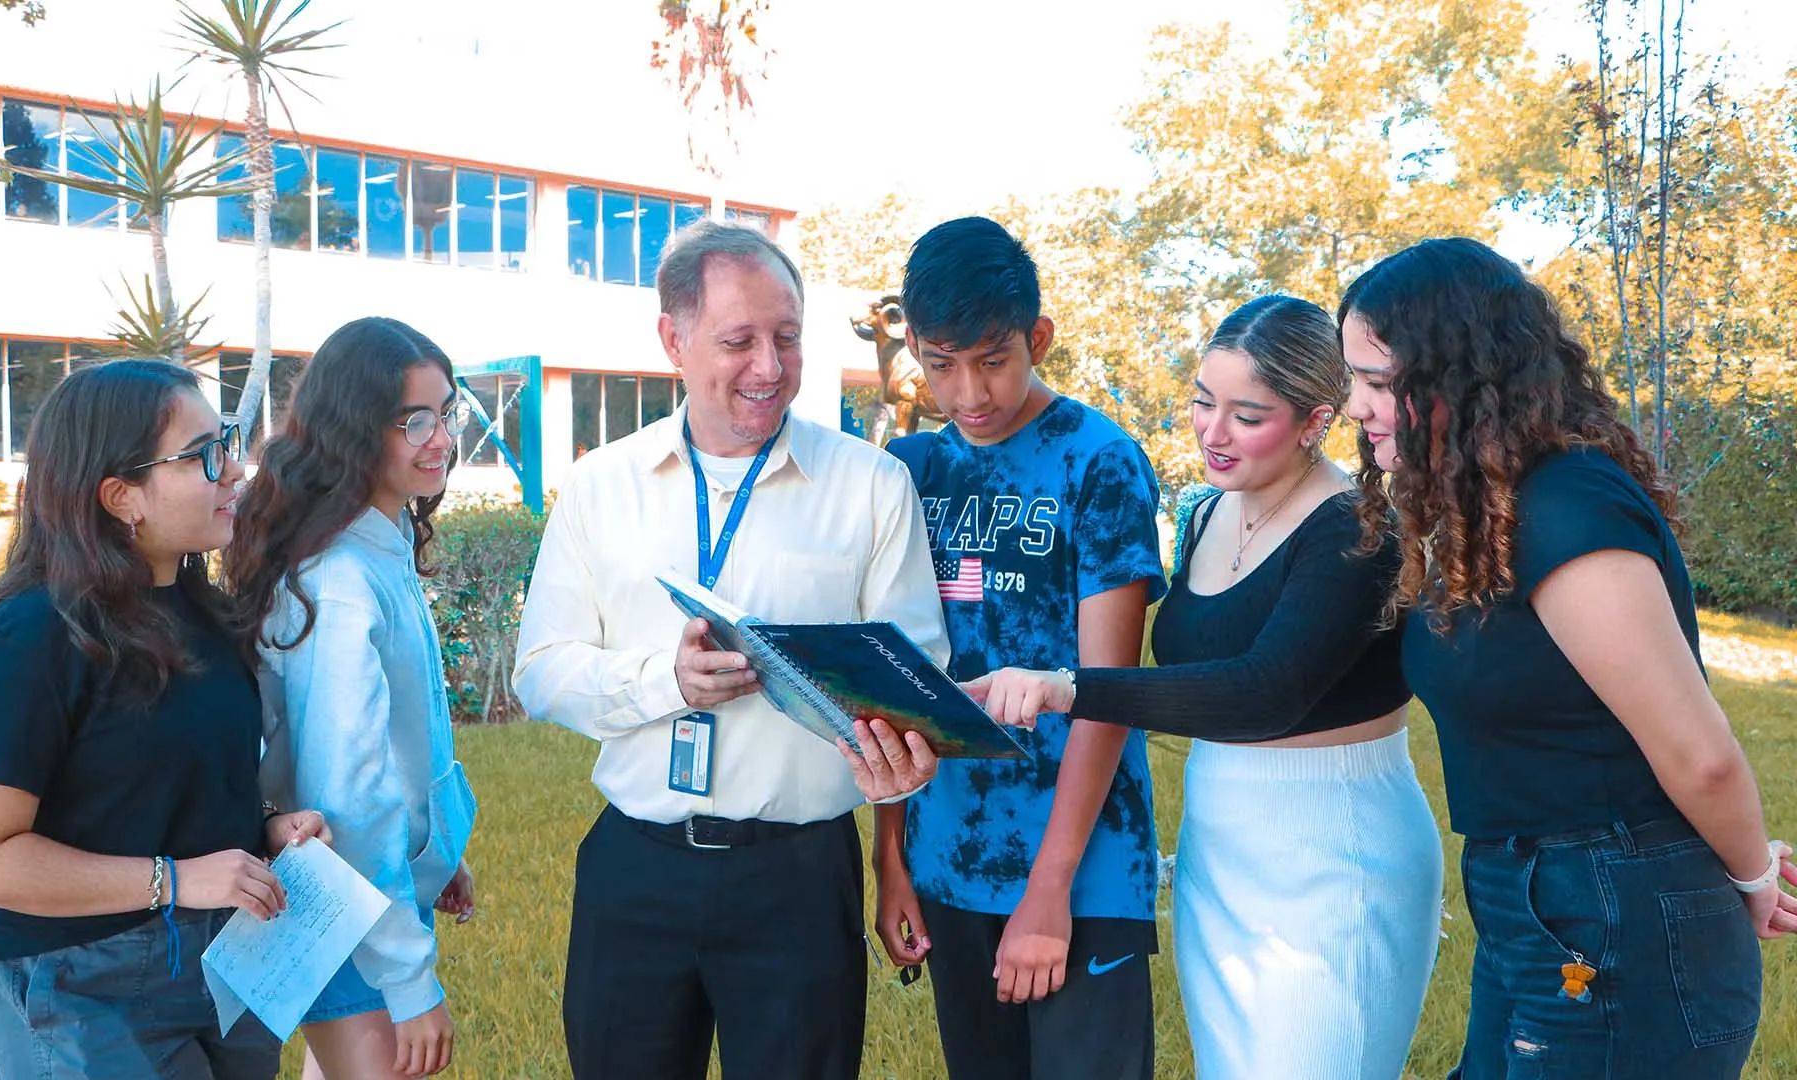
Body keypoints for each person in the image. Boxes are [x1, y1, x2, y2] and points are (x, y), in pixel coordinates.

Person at [1337, 236, 1797, 1078]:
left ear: (1459, 376)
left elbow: (1699, 753)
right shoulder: (1494, 510)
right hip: (1540, 900)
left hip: (1621, 906)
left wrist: (1752, 873)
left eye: (1375, 381)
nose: (1355, 408)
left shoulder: (1566, 506)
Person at [511, 220, 945, 1080]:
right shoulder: (601, 486)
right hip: (636, 871)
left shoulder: (869, 484)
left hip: (799, 878)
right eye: (739, 341)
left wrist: (903, 756)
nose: (770, 367)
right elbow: (541, 670)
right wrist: (665, 681)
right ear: (672, 339)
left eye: (788, 337)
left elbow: (917, 681)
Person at [971, 296, 1444, 1080]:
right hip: (1217, 851)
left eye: (1246, 416)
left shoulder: (1356, 531)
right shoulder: (1202, 515)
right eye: (1202, 402)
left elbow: (1262, 694)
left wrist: (1066, 688)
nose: (1212, 433)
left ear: (1315, 421)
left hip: (1334, 854)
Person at [0, 358, 329, 1080]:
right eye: (204, 455)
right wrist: (174, 880)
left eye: (227, 442)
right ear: (121, 496)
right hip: (83, 988)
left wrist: (265, 828)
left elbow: (158, 788)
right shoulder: (30, 637)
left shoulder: (202, 615)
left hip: (227, 963)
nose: (236, 470)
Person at [869, 216, 1168, 1080]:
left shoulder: (1097, 460)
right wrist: (891, 859)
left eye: (993, 360)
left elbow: (1107, 691)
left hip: (1084, 867)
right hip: (947, 856)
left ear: (1038, 338)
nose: (969, 392)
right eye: (941, 364)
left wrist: (1050, 890)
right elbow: (892, 678)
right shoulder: (908, 469)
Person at [226, 317, 479, 1080]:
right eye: (415, 421)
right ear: (355, 430)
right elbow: (349, 794)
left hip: (368, 896)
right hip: (344, 908)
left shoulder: (377, 542)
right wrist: (408, 980)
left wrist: (436, 849)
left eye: (447, 413)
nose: (442, 439)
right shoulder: (340, 577)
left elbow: (404, 743)